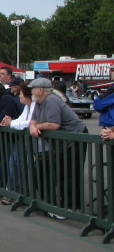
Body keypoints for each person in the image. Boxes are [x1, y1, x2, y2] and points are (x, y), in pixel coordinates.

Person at [28, 77, 88, 215]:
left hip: (75, 135)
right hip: (63, 140)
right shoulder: (38, 102)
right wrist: (33, 126)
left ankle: (73, 204)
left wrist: (36, 126)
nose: (31, 91)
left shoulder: (51, 100)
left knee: (70, 171)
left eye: (33, 89)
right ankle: (64, 201)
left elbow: (53, 124)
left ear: (41, 90)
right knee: (61, 170)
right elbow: (33, 120)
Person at [0, 82, 35, 205]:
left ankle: (18, 193)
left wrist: (11, 123)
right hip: (25, 140)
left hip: (33, 141)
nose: (19, 96)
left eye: (21, 94)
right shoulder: (27, 106)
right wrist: (11, 122)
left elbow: (29, 123)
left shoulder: (35, 106)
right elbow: (21, 120)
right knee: (14, 163)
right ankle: (15, 192)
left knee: (19, 164)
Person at [93, 66, 114, 131]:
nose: (111, 72)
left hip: (110, 127)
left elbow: (97, 105)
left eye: (113, 70)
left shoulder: (112, 89)